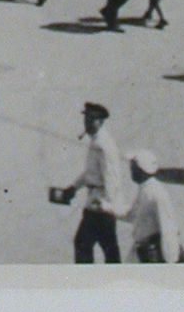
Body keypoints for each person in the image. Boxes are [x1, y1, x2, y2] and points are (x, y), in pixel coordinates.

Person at [51, 102, 127, 264]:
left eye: (91, 119)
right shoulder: (96, 141)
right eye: (86, 118)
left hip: (100, 204)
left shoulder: (104, 145)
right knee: (109, 248)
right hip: (97, 202)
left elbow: (112, 179)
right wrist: (73, 188)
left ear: (101, 121)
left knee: (83, 243)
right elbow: (91, 173)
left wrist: (107, 205)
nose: (86, 123)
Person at [120, 152, 184, 263]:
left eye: (133, 167)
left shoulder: (155, 193)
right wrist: (106, 208)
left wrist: (171, 261)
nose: (130, 169)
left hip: (153, 254)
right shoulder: (145, 189)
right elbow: (132, 215)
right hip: (142, 251)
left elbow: (168, 228)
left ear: (141, 170)